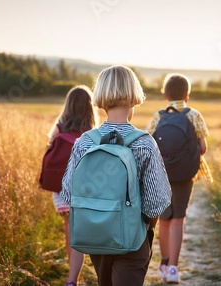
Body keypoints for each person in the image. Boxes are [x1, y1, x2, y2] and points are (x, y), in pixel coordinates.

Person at [60, 65, 171, 286]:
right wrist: (146, 229)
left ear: (100, 94)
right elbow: (155, 203)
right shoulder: (144, 143)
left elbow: (67, 191)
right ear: (134, 96)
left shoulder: (84, 142)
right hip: (132, 238)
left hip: (96, 236)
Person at [146, 73, 212, 284]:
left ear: (165, 95)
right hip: (185, 175)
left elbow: (150, 145)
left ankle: (164, 264)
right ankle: (174, 268)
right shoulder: (194, 115)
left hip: (162, 174)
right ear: (188, 95)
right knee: (178, 220)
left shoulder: (158, 116)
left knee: (164, 220)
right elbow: (202, 148)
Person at [46, 85, 98, 286]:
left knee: (69, 229)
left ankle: (71, 277)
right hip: (84, 190)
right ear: (89, 107)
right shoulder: (91, 131)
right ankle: (73, 277)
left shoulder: (59, 127)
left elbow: (50, 151)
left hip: (61, 190)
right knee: (79, 232)